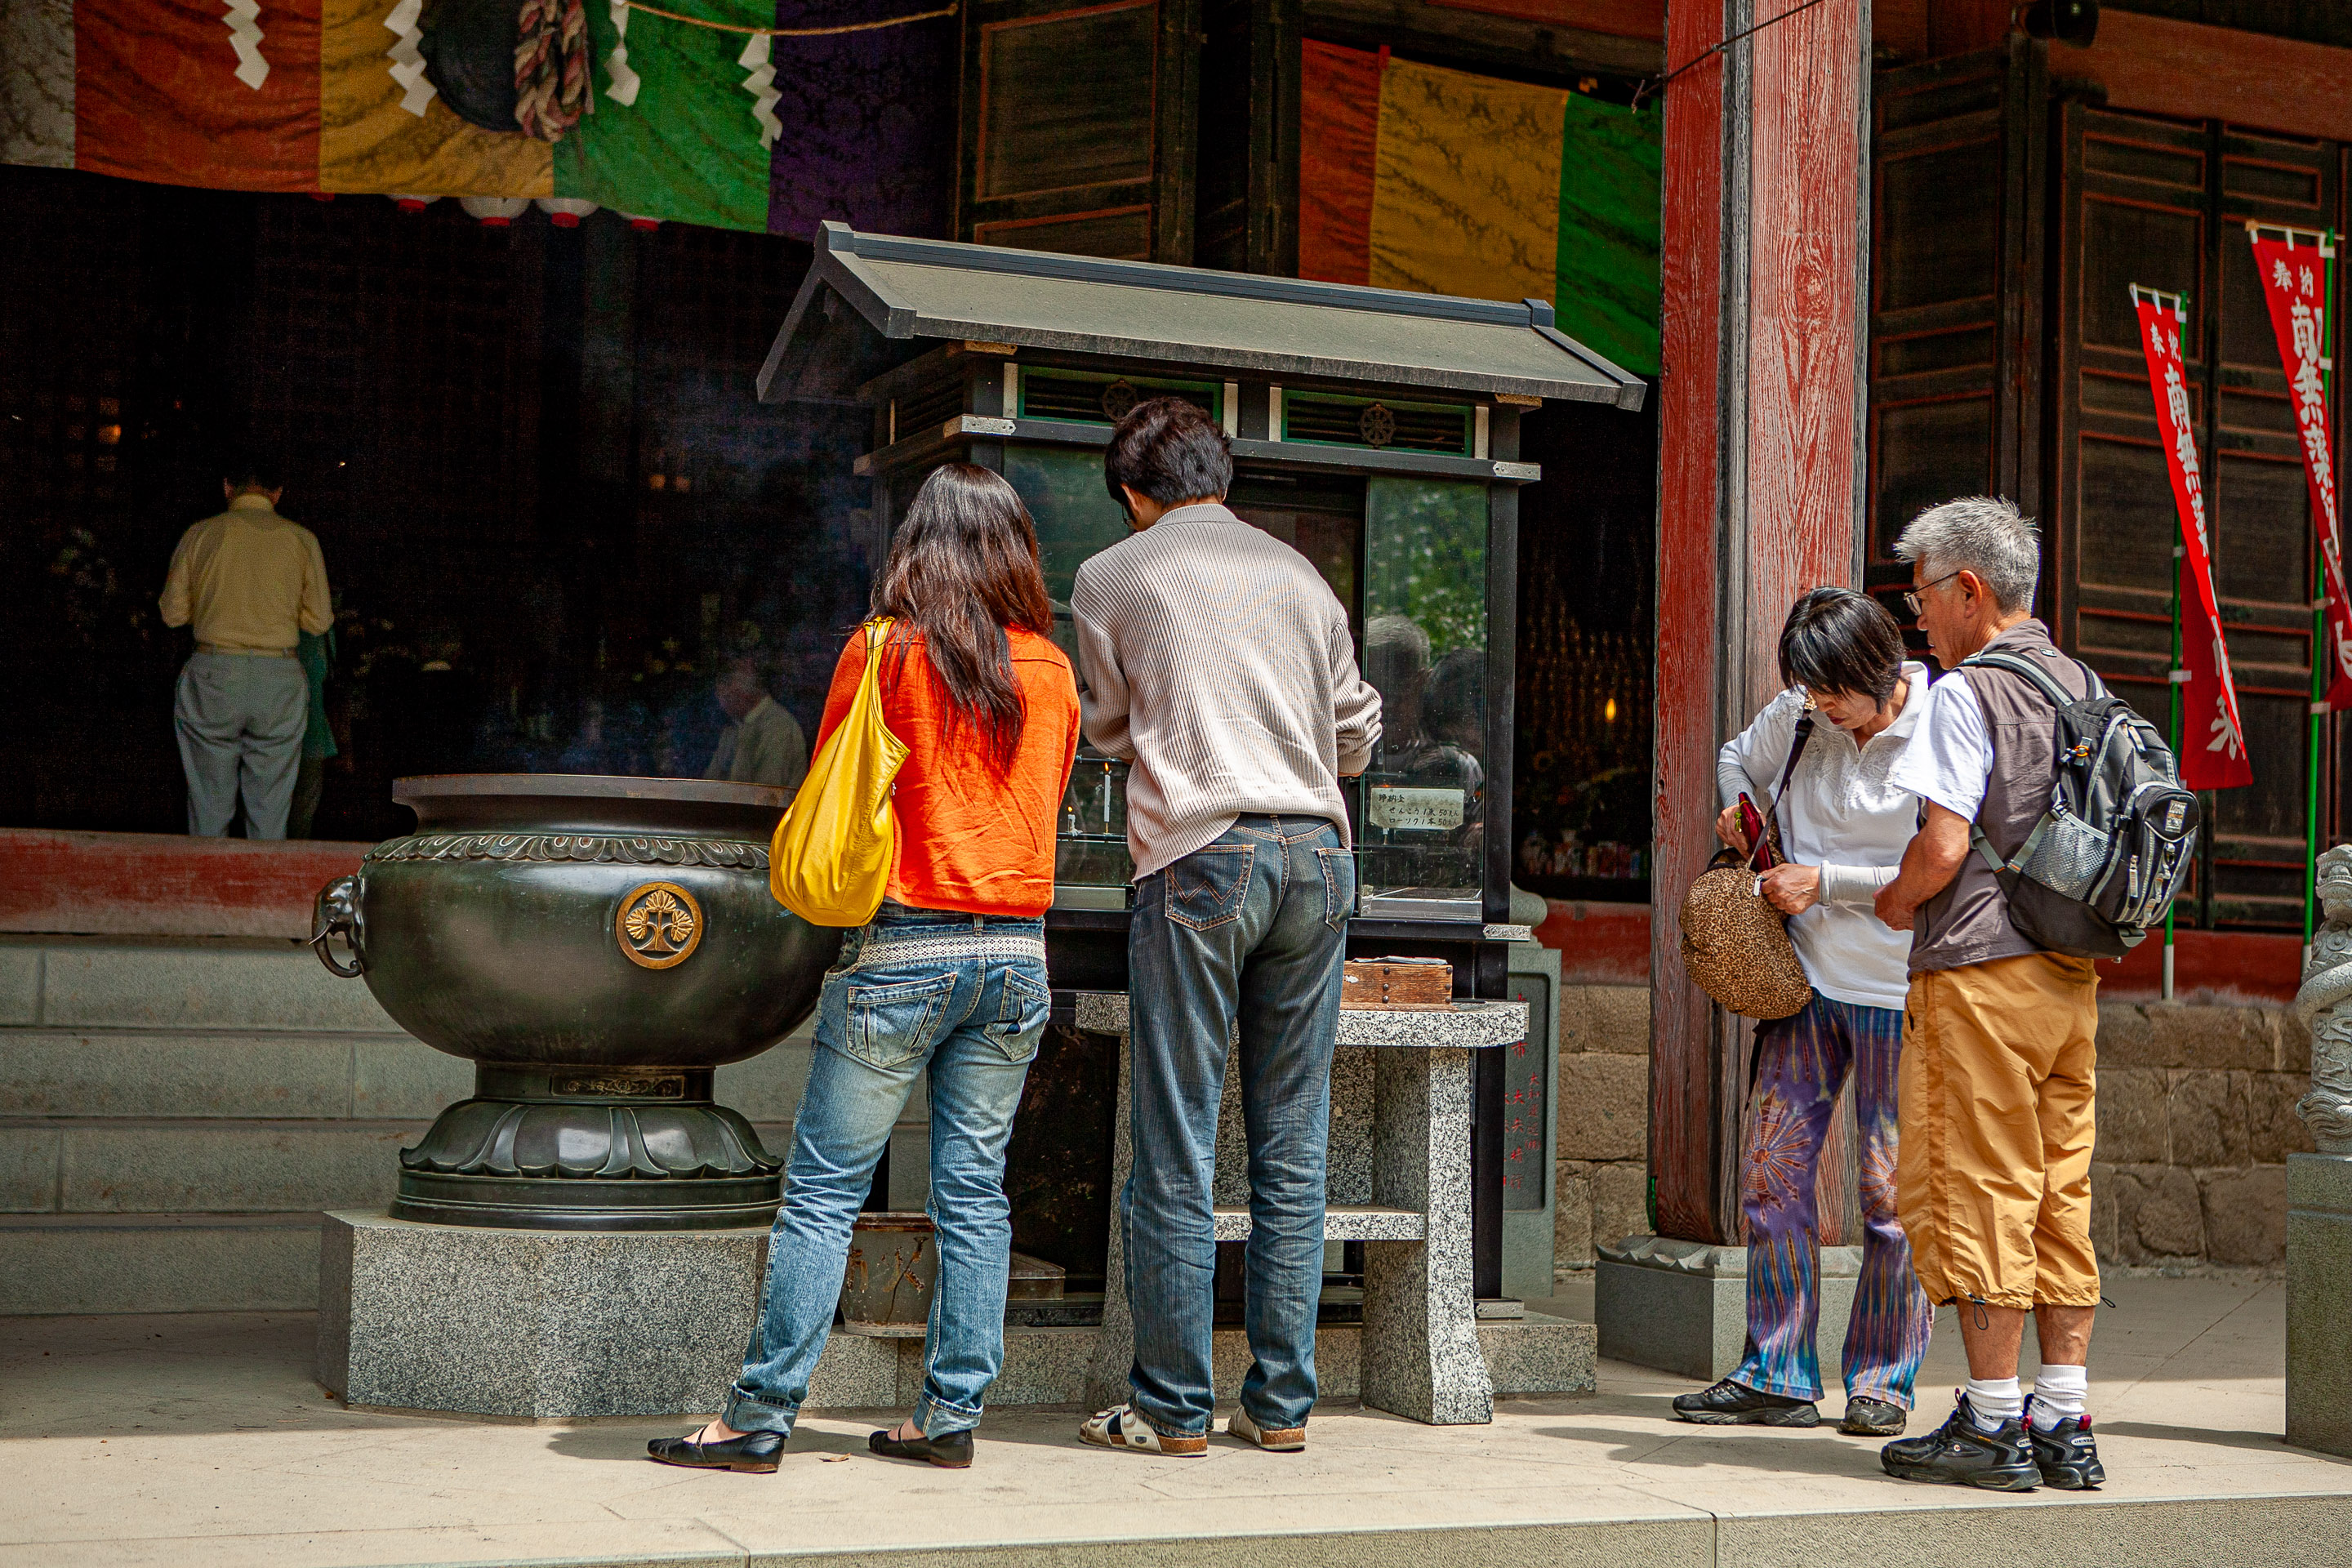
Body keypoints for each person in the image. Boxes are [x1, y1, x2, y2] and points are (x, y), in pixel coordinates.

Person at [647, 463, 1079, 1475]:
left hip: (906, 947)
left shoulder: (884, 650)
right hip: (1018, 953)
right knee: (976, 1194)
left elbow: (836, 785)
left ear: (917, 547)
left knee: (823, 1193)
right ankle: (950, 1414)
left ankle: (760, 1416)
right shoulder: (1054, 670)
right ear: (1016, 552)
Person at [1069, 398, 1382, 1458]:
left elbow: (1110, 726)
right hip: (1321, 857)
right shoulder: (1299, 574)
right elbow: (1357, 729)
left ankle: (1170, 1409)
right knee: (1293, 1142)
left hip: (1201, 853)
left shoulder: (1112, 574)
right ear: (1223, 478)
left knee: (1177, 1143)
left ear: (1133, 495)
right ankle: (1281, 1408)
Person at [1873, 496, 2106, 1493]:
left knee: (1979, 1185)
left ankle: (1992, 1420)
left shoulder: (1966, 694)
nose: (1917, 617)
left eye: (1922, 595)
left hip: (1979, 974)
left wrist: (1893, 903)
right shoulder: (2083, 683)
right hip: (2070, 976)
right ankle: (2064, 1417)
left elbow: (1944, 845)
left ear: (1969, 589)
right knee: (2059, 1190)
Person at [1672, 588, 1936, 1437]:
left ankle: (1884, 1382)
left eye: (1834, 691)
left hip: (1901, 991)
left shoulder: (1940, 726)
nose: (1820, 705)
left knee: (1892, 1197)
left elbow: (1947, 862)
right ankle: (1776, 1373)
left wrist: (1828, 882)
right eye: (1809, 689)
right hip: (1805, 985)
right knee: (1772, 1177)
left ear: (1880, 670)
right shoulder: (1799, 713)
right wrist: (1741, 814)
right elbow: (1734, 758)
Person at [158, 454, 332, 840]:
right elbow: (319, 621)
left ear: (227, 488)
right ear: (278, 493)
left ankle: (208, 873)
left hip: (214, 672)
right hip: (278, 676)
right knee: (271, 810)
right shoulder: (301, 539)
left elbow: (172, 614)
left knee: (207, 803)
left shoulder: (201, 534)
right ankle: (264, 874)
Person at [705, 656, 808, 791]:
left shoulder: (779, 727)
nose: (720, 699)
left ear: (741, 693)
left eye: (726, 687)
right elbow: (710, 784)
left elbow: (767, 794)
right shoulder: (732, 730)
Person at [287, 625, 336, 840]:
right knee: (302, 815)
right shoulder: (319, 627)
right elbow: (327, 671)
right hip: (312, 728)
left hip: (276, 726)